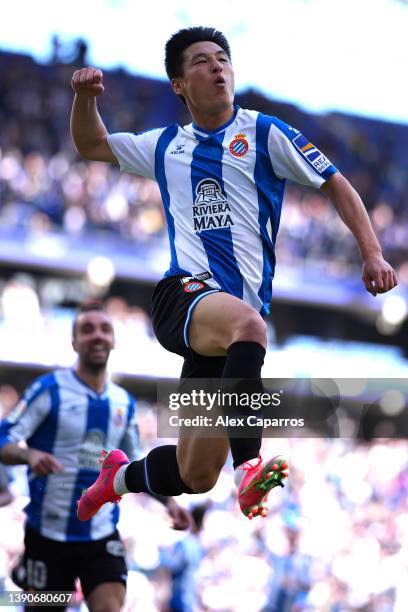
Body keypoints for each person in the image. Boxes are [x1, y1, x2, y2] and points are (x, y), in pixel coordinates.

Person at [70, 27, 397, 522]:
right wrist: (83, 99)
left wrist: (372, 253)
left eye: (222, 58)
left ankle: (115, 477)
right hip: (185, 296)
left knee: (194, 475)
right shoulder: (164, 147)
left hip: (228, 335)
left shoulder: (266, 133)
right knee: (250, 326)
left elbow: (336, 184)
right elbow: (91, 144)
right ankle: (249, 466)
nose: (217, 67)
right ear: (179, 84)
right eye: (201, 61)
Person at [0, 302, 191, 612]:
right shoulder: (49, 390)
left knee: (109, 607)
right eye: (87, 330)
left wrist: (169, 503)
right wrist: (30, 455)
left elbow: (134, 467)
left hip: (100, 535)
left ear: (114, 340)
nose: (97, 336)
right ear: (74, 342)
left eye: (104, 329)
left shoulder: (123, 403)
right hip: (47, 537)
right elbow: (3, 438)